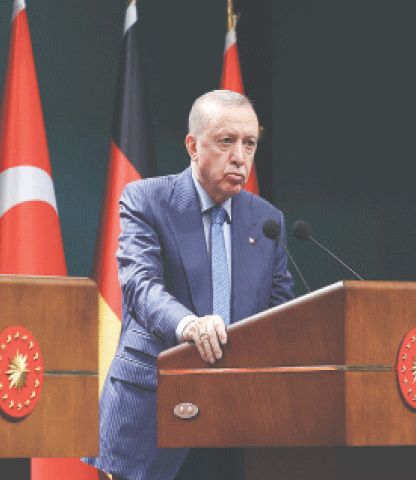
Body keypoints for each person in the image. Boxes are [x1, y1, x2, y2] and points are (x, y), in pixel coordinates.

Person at [84, 90, 295, 480]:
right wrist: (189, 326)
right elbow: (140, 286)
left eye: (249, 144)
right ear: (193, 147)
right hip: (153, 416)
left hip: (237, 426)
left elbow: (282, 316)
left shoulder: (267, 221)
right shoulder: (146, 200)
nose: (240, 157)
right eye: (226, 141)